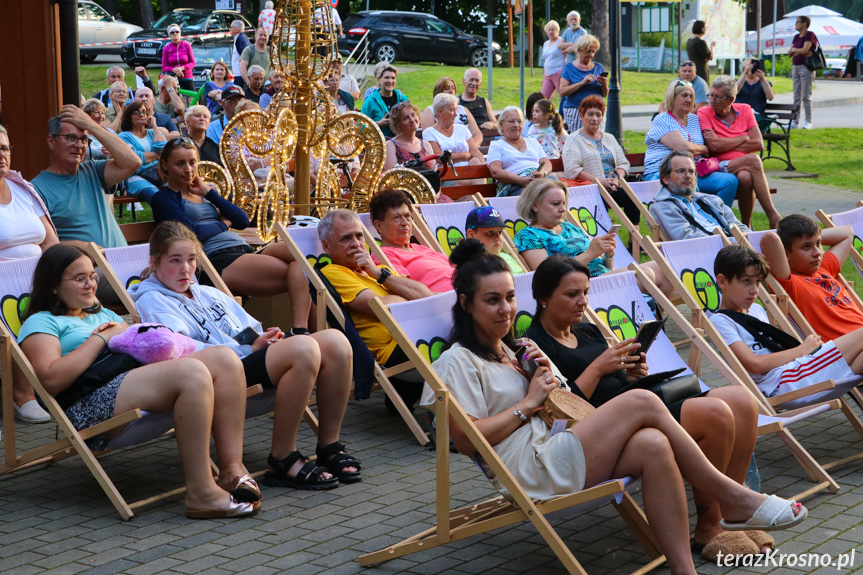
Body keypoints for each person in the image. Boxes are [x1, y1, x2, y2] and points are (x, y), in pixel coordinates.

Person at [424, 239, 806, 574]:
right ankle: (732, 496)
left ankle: (684, 569)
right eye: (492, 300)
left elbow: (566, 402)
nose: (505, 309)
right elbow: (466, 441)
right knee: (641, 401)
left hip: (561, 444)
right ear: (466, 303)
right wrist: (528, 403)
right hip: (531, 470)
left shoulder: (516, 350)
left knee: (654, 444)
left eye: (509, 297)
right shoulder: (457, 361)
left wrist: (545, 381)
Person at [527, 255, 770, 562]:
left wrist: (629, 372)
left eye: (586, 292)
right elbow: (561, 408)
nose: (582, 301)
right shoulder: (537, 345)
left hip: (641, 402)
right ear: (543, 298)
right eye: (572, 294)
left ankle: (732, 516)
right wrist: (599, 368)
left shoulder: (586, 331)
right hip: (608, 429)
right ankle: (710, 527)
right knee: (717, 414)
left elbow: (615, 382)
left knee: (742, 400)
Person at [19, 244, 259, 518]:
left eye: (92, 276)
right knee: (191, 373)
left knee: (225, 359)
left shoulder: (104, 314)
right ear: (52, 286)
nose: (90, 285)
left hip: (128, 382)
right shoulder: (42, 322)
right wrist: (100, 339)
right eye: (80, 279)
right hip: (88, 403)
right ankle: (201, 492)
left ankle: (231, 470)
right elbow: (51, 380)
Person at [131, 221, 359, 489]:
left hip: (244, 358)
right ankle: (283, 458)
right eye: (175, 260)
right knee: (303, 348)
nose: (186, 269)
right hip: (220, 373)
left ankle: (328, 446)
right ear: (155, 262)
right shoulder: (153, 300)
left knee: (337, 342)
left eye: (191, 259)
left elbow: (245, 330)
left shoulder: (207, 293)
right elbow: (183, 351)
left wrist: (263, 339)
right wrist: (247, 349)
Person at [150, 138, 313, 334]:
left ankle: (304, 331)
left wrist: (209, 193)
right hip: (215, 260)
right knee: (305, 274)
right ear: (165, 165)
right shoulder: (163, 198)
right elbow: (192, 233)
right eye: (180, 163)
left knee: (301, 257)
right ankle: (302, 331)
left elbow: (242, 219)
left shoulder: (202, 194)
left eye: (192, 162)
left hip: (243, 249)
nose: (188, 169)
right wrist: (224, 223)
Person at [714, 244, 863, 410]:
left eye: (757, 282)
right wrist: (802, 350)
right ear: (722, 281)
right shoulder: (720, 321)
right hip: (785, 382)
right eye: (746, 281)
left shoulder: (756, 310)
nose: (754, 290)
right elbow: (754, 365)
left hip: (799, 371)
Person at [318, 209, 433, 409]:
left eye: (359, 236)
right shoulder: (333, 272)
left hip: (412, 336)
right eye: (346, 238)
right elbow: (384, 308)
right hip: (394, 349)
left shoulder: (373, 270)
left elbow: (426, 297)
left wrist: (379, 274)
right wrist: (401, 297)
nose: (355, 244)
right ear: (326, 246)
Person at [513, 178, 673, 295]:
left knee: (665, 267)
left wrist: (608, 254)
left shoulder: (569, 227)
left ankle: (653, 326)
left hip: (601, 278)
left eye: (563, 203)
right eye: (556, 204)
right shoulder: (529, 235)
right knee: (645, 273)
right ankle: (648, 323)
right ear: (535, 205)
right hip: (579, 288)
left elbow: (603, 267)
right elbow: (546, 276)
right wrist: (590, 253)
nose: (563, 209)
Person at [0, 124, 57, 423]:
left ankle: (59, 384)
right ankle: (22, 394)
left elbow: (50, 242)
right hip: (3, 286)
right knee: (19, 312)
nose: (1, 154)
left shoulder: (22, 188)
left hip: (38, 279)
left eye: (4, 148)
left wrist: (57, 276)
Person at [32, 106, 140, 250]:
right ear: (51, 141)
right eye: (71, 138)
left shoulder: (93, 170)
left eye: (83, 139)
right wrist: (84, 247)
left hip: (122, 262)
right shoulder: (36, 189)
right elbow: (44, 246)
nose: (79, 145)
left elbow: (133, 162)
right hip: (88, 269)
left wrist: (90, 125)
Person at [760, 215, 863, 342]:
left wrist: (812, 236)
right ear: (786, 253)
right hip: (846, 350)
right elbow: (769, 239)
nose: (817, 253)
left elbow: (847, 232)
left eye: (818, 244)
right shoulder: (790, 284)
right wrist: (802, 238)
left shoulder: (824, 268)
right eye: (806, 247)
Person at [697, 76, 782, 228]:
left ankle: (746, 225)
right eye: (711, 95)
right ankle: (773, 216)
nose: (712, 100)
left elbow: (758, 143)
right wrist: (743, 137)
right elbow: (714, 146)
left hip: (741, 169)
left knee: (745, 176)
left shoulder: (745, 110)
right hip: (717, 167)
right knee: (754, 160)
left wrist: (724, 143)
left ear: (731, 99)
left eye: (718, 97)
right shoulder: (705, 112)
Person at [645, 80, 738, 207]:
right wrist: (703, 148)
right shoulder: (662, 119)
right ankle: (700, 221)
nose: (688, 100)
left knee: (730, 181)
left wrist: (700, 148)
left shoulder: (694, 119)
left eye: (691, 96)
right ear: (672, 98)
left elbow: (696, 147)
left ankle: (716, 220)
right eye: (684, 96)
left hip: (693, 171)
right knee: (691, 187)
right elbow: (682, 148)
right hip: (663, 173)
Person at [561, 96, 638, 225]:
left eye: (598, 115)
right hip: (590, 189)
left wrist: (616, 178)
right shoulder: (573, 139)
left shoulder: (609, 138)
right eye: (590, 114)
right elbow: (571, 169)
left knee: (632, 197)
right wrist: (599, 182)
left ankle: (635, 241)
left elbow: (623, 163)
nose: (595, 119)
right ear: (581, 116)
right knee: (598, 203)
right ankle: (604, 238)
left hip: (613, 186)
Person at [649, 151, 750, 241]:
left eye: (691, 171)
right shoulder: (663, 208)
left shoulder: (713, 200)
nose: (688, 175)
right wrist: (733, 242)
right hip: (712, 255)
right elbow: (687, 239)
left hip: (735, 248)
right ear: (666, 178)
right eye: (681, 171)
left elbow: (739, 227)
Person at [369, 190, 454, 293]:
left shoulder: (422, 249)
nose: (405, 223)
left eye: (407, 216)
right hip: (447, 301)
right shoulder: (383, 255)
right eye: (396, 218)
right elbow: (408, 291)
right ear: (379, 226)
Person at [487, 106, 552, 197]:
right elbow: (496, 171)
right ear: (501, 124)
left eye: (519, 121)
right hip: (514, 185)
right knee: (538, 193)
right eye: (511, 121)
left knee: (557, 186)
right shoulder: (497, 145)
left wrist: (542, 173)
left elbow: (546, 162)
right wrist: (521, 180)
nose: (516, 125)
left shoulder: (532, 142)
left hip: (538, 182)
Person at [422, 94, 484, 174]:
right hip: (448, 174)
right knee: (474, 178)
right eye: (452, 110)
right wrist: (465, 156)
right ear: (440, 111)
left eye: (456, 110)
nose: (456, 114)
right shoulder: (429, 132)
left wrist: (484, 166)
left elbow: (474, 151)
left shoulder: (462, 129)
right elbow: (440, 157)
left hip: (469, 171)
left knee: (475, 161)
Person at [559, 35, 607, 132]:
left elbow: (605, 94)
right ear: (579, 50)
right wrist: (582, 83)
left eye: (593, 52)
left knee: (597, 139)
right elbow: (563, 91)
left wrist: (604, 83)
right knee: (578, 141)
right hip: (575, 110)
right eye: (588, 51)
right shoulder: (569, 67)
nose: (591, 55)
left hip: (597, 111)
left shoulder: (599, 67)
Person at [420, 76, 482, 147]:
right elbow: (430, 137)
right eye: (447, 88)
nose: (451, 91)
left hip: (466, 149)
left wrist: (470, 148)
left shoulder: (463, 109)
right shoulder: (430, 110)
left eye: (453, 88)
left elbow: (477, 134)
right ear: (438, 92)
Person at [119, 101, 166, 189]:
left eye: (144, 112)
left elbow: (165, 150)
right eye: (136, 112)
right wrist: (157, 155)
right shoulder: (124, 136)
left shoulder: (154, 133)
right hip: (137, 176)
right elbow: (132, 158)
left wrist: (154, 126)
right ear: (129, 116)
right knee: (154, 193)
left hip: (160, 174)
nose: (141, 115)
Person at [464, 205, 524, 274]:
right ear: (471, 235)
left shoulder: (507, 257)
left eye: (500, 232)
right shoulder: (470, 268)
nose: (498, 238)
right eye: (490, 232)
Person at [360, 64, 408, 139]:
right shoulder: (370, 101)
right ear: (378, 79)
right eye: (386, 78)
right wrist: (377, 124)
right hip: (378, 144)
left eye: (393, 78)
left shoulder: (403, 99)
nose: (390, 81)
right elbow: (360, 128)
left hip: (401, 143)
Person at [384, 102, 434, 171]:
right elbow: (392, 177)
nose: (412, 120)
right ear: (398, 124)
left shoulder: (426, 145)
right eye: (405, 118)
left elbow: (435, 173)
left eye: (413, 115)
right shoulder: (390, 146)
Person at [788, 16, 817, 129]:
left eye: (798, 22)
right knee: (796, 96)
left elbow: (805, 50)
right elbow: (789, 52)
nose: (796, 24)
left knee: (806, 96)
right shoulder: (796, 36)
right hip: (795, 67)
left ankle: (808, 121)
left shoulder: (810, 35)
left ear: (805, 24)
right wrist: (797, 51)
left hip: (806, 67)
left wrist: (795, 50)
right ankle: (795, 121)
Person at [161, 24, 196, 92]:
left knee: (192, 99)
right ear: (169, 35)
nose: (175, 34)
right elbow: (164, 67)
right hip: (173, 78)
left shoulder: (187, 46)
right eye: (172, 32)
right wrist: (174, 70)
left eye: (177, 32)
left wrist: (182, 68)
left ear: (180, 33)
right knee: (175, 100)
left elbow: (193, 63)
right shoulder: (167, 48)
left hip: (187, 77)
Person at [540, 21, 566, 99]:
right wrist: (543, 76)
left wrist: (562, 70)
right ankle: (548, 111)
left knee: (564, 96)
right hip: (548, 74)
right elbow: (546, 60)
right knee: (543, 98)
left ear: (557, 31)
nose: (551, 32)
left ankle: (566, 111)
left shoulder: (561, 41)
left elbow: (567, 55)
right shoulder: (545, 44)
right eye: (549, 30)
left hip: (558, 73)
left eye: (553, 30)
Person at [230, 20, 252, 90]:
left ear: (236, 29)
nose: (229, 29)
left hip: (239, 74)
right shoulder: (239, 38)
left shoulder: (241, 39)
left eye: (231, 27)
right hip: (237, 73)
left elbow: (246, 53)